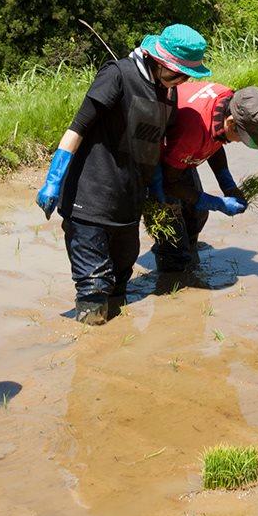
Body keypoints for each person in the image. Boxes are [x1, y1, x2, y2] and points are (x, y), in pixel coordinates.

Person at [35, 24, 210, 325]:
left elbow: (155, 147)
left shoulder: (169, 95)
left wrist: (157, 189)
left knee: (119, 282)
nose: (182, 80)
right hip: (90, 199)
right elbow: (77, 128)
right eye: (178, 72)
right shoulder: (117, 75)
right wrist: (54, 179)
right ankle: (88, 344)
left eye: (186, 76)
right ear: (159, 61)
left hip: (128, 203)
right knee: (93, 288)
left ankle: (113, 356)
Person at [155, 82, 258, 272]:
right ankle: (173, 272)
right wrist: (216, 203)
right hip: (152, 161)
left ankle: (189, 255)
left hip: (179, 153)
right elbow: (169, 183)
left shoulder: (227, 100)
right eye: (241, 137)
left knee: (196, 215)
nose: (238, 142)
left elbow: (216, 140)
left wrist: (227, 185)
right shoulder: (193, 130)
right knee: (173, 239)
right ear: (231, 122)